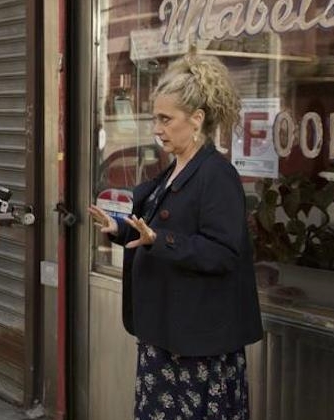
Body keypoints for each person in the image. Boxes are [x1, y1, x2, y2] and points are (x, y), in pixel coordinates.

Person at [89, 54, 263, 419]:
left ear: (196, 119)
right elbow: (156, 231)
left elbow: (222, 252)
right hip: (166, 334)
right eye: (156, 118)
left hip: (196, 344)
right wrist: (120, 229)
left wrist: (160, 241)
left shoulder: (216, 174)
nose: (157, 128)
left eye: (165, 119)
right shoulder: (173, 170)